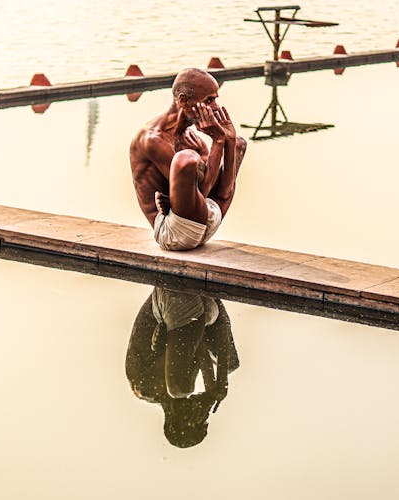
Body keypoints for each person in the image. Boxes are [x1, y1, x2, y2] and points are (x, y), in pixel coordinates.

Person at [129, 68, 247, 251]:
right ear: (183, 100)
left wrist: (227, 140)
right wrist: (217, 141)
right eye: (209, 100)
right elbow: (202, 192)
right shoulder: (152, 139)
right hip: (173, 233)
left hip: (206, 221)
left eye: (216, 99)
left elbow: (220, 191)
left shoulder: (193, 139)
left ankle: (232, 141)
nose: (215, 107)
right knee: (186, 159)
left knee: (238, 143)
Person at [125, 286, 239, 448]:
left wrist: (212, 392)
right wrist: (217, 385)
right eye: (204, 419)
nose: (202, 415)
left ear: (178, 420)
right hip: (201, 313)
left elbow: (187, 344)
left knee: (179, 389)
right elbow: (199, 347)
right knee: (230, 364)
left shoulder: (146, 388)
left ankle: (205, 297)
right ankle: (211, 297)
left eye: (198, 420)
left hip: (172, 299)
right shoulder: (181, 389)